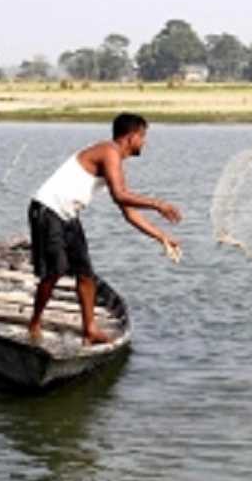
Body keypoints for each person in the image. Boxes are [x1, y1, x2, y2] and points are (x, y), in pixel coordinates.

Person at [27, 112, 182, 345]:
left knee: (86, 275)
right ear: (131, 137)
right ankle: (34, 323)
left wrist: (162, 237)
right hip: (48, 210)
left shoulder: (114, 160)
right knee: (55, 270)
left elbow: (128, 211)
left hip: (68, 215)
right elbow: (120, 195)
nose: (144, 142)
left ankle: (90, 330)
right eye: (142, 136)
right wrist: (158, 204)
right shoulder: (109, 151)